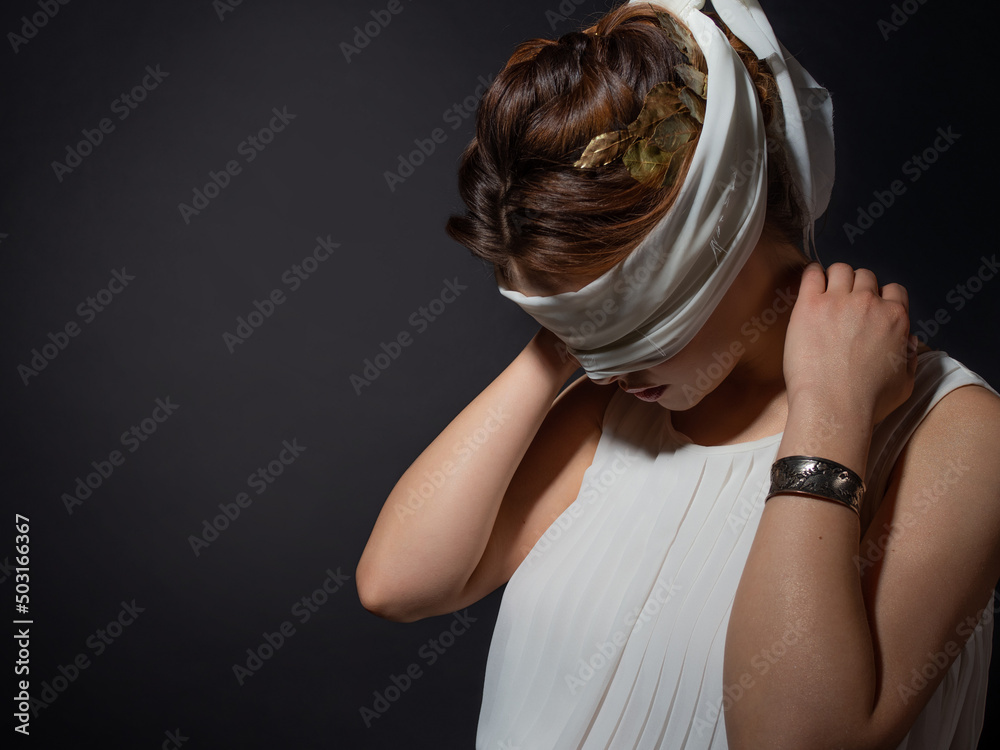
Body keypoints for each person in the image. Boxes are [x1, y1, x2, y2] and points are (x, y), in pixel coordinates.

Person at [356, 0, 1000, 747]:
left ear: (722, 241)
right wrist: (567, 338)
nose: (608, 364)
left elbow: (792, 737)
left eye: (628, 321)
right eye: (569, 328)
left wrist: (829, 416)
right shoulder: (617, 411)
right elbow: (397, 582)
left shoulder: (958, 435)